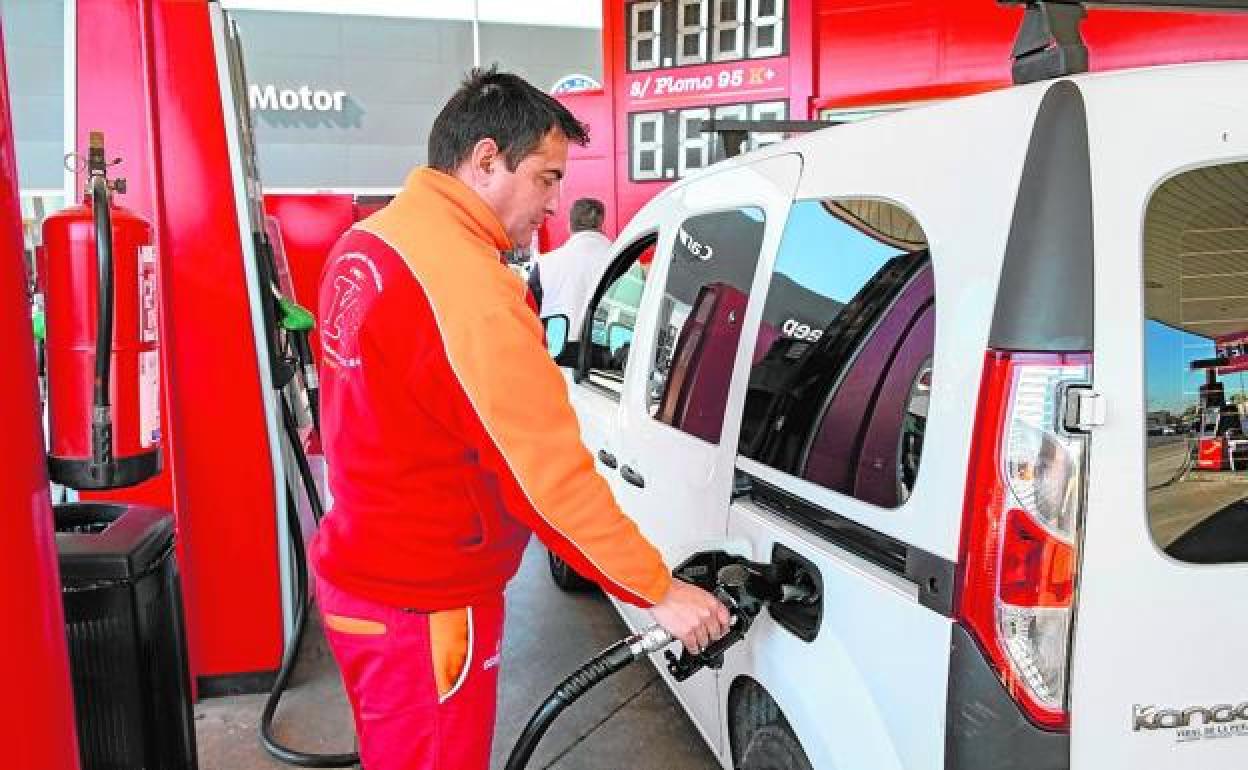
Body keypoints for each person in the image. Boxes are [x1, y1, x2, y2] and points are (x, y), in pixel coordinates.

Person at [312, 67, 730, 770]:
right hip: (426, 603)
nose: (555, 202)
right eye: (546, 177)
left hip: (360, 573)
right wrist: (658, 590)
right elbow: (548, 478)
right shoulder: (468, 289)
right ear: (485, 160)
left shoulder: (369, 245)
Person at [528, 197, 611, 338]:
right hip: (610, 348)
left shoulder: (545, 264)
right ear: (601, 225)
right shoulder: (625, 260)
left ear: (569, 226)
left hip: (557, 347)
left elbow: (529, 310)